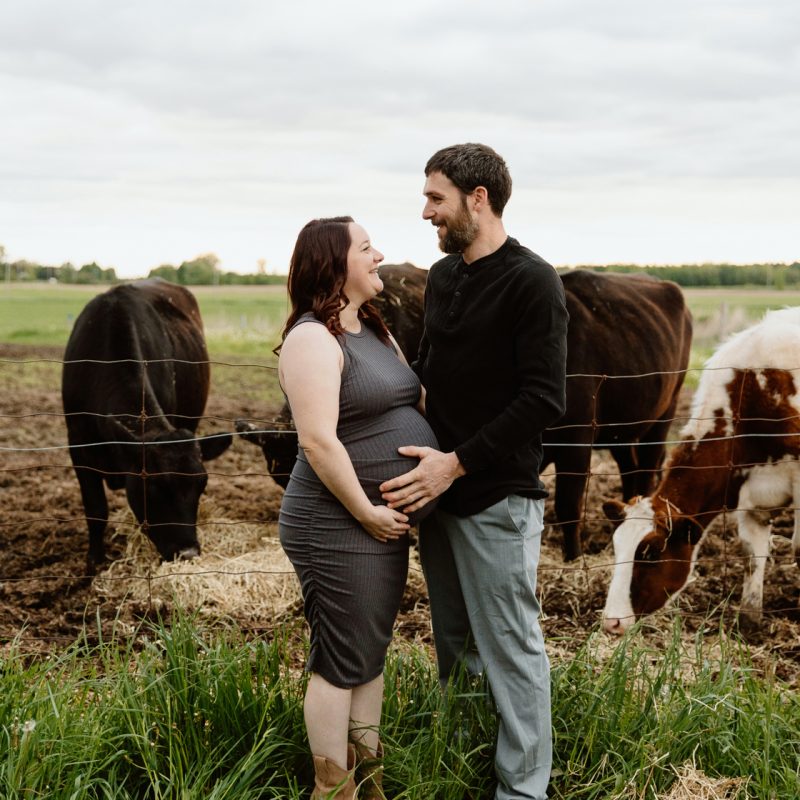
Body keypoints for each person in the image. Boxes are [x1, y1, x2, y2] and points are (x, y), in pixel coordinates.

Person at [380, 144, 568, 800]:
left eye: (436, 198)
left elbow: (545, 398)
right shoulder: (444, 276)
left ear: (477, 199)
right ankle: (464, 765)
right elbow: (429, 376)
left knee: (512, 651)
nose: (425, 211)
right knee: (454, 649)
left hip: (494, 495)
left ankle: (523, 791)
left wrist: (455, 465)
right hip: (439, 496)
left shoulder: (532, 281)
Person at [277, 216, 439, 799]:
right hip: (334, 521)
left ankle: (368, 779)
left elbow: (416, 397)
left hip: (377, 523)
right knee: (340, 658)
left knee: (368, 651)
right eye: (366, 248)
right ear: (334, 264)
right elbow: (319, 441)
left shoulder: (373, 329)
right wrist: (367, 512)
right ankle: (333, 788)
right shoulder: (311, 340)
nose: (379, 256)